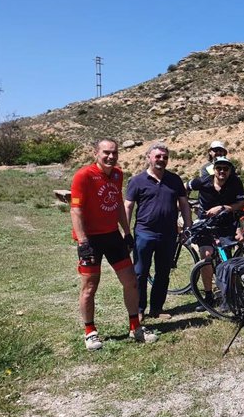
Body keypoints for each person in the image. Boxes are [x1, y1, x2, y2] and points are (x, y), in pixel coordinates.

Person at [70, 138, 157, 350]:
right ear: (96, 153)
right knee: (90, 286)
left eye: (114, 153)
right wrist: (83, 242)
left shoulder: (118, 174)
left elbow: (118, 203)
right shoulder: (84, 176)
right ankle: (90, 331)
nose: (110, 156)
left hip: (112, 236)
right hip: (91, 239)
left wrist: (126, 232)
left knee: (131, 281)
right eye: (106, 152)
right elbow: (76, 209)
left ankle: (135, 326)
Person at [124, 142, 192, 321]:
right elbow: (128, 206)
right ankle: (139, 310)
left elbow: (184, 204)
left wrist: (187, 226)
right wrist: (125, 232)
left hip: (168, 234)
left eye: (165, 157)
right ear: (148, 158)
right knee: (140, 273)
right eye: (158, 156)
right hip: (144, 233)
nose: (161, 160)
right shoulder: (137, 181)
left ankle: (156, 308)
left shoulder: (174, 180)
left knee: (163, 272)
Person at [187, 156, 244, 310]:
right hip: (205, 224)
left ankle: (230, 295)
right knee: (206, 256)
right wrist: (183, 205)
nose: (222, 171)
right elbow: (184, 188)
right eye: (219, 168)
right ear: (214, 169)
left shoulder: (235, 182)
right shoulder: (203, 181)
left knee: (227, 260)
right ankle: (208, 295)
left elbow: (241, 204)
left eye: (226, 169)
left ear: (230, 171)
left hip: (226, 224)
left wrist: (223, 207)